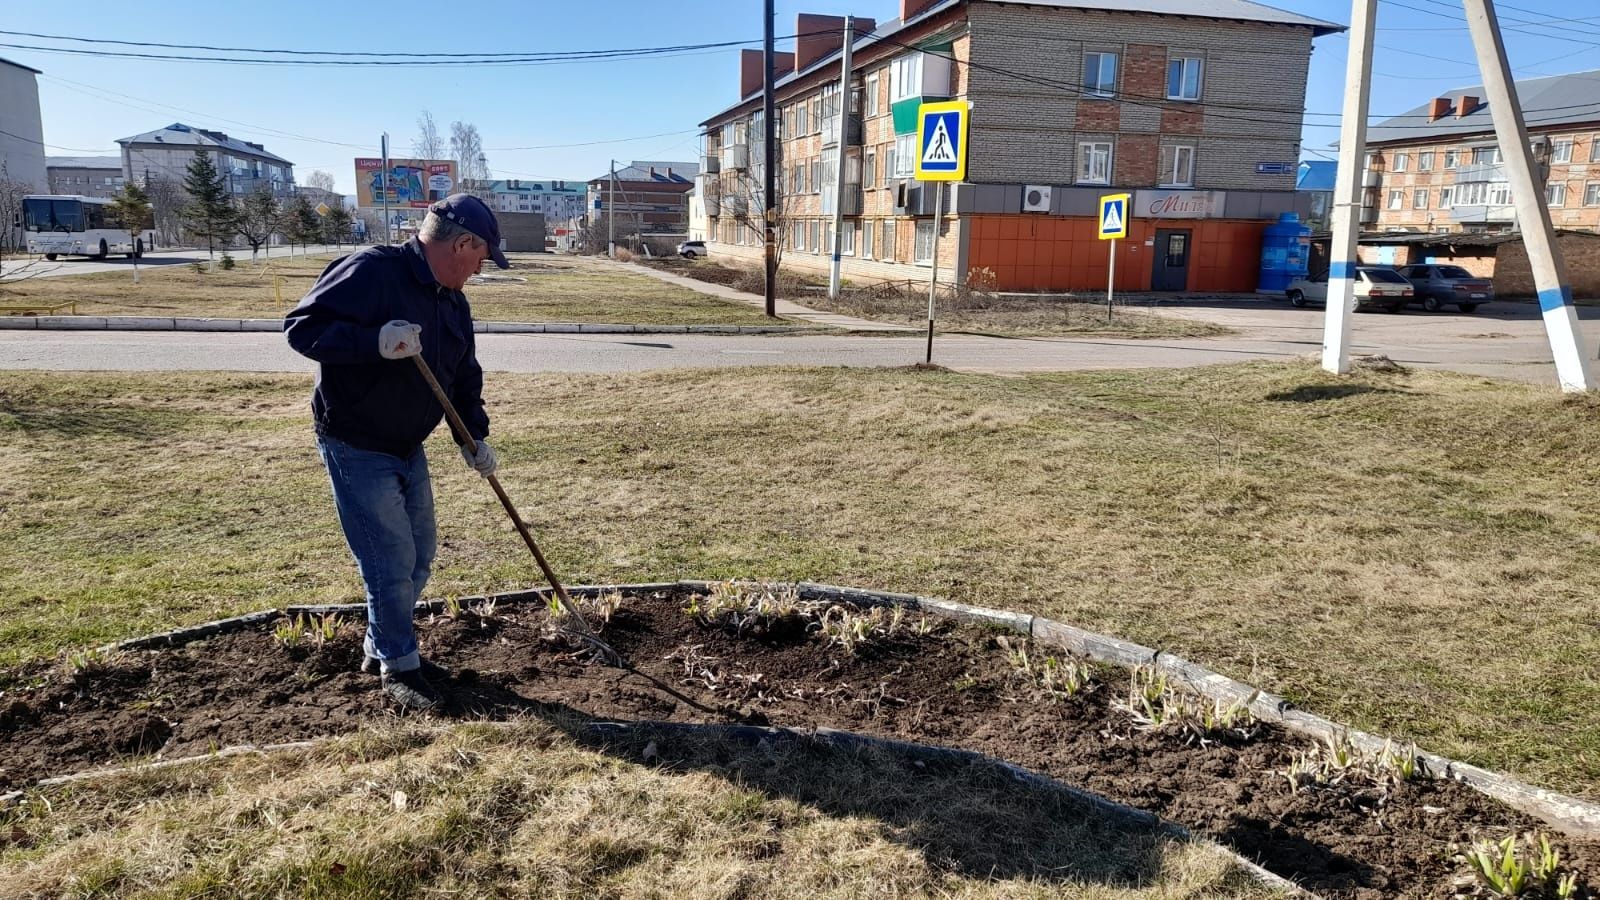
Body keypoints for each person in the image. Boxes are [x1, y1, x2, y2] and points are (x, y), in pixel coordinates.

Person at [285, 193, 510, 711]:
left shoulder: (451, 300)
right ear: (461, 244)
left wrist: (472, 437)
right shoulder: (371, 272)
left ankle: (381, 643)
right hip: (356, 442)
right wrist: (374, 343)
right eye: (481, 258)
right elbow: (302, 328)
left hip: (408, 444)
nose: (480, 269)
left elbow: (462, 376)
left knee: (420, 555)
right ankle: (400, 668)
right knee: (390, 559)